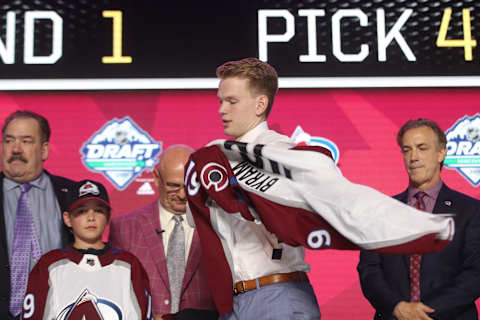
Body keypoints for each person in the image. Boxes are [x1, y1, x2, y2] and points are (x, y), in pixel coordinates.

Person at [207, 57, 321, 319]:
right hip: (232, 302)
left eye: (232, 101)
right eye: (220, 101)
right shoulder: (217, 158)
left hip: (278, 295)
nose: (222, 110)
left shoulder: (281, 153)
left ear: (260, 104)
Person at [357, 118, 480, 320]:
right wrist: (397, 308)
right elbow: (369, 271)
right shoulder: (379, 211)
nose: (413, 157)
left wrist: (425, 312)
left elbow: (475, 273)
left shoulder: (471, 210)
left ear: (441, 153)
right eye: (407, 150)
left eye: (422, 148)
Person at [109, 145, 217, 320]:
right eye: (173, 186)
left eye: (189, 185)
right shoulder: (124, 228)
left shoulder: (217, 225)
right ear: (157, 178)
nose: (182, 195)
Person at [21, 179, 153, 319]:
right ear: (67, 218)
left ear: (108, 217)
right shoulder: (49, 265)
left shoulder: (129, 265)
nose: (91, 217)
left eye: (98, 210)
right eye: (82, 211)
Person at [0, 110, 76, 319]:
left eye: (26, 141)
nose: (15, 149)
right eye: (8, 141)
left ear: (44, 150)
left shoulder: (71, 194)